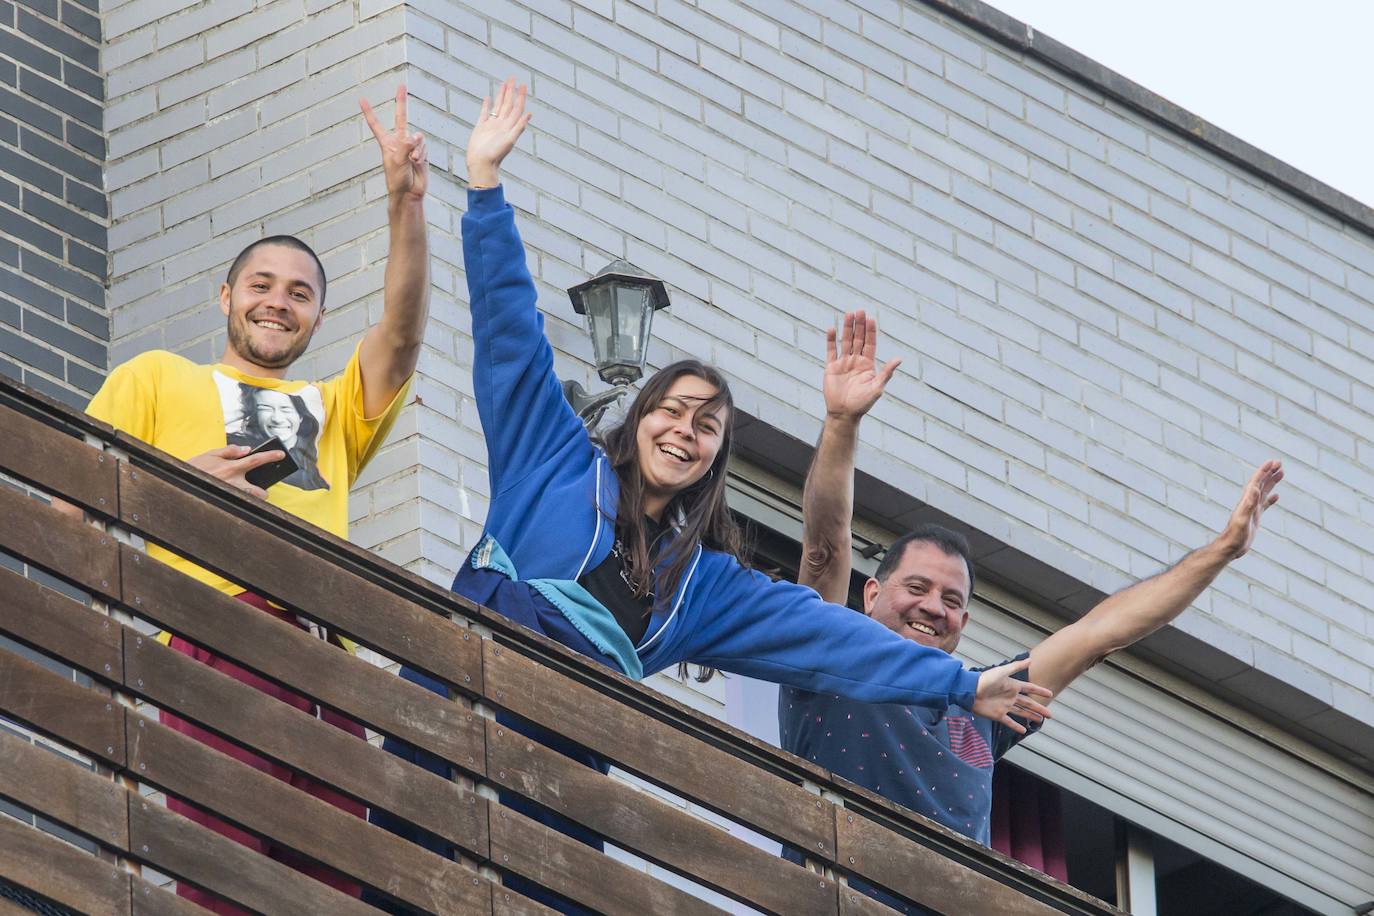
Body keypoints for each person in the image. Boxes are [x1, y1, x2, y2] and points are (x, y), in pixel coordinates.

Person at [371, 80, 1052, 914]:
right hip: (450, 690)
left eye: (707, 428)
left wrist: (959, 686)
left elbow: (830, 633)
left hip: (562, 760)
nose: (684, 432)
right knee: (398, 882)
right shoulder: (551, 459)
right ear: (639, 417)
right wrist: (485, 188)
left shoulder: (704, 586)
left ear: (713, 460)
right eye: (672, 410)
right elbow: (508, 332)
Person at [778, 313, 1284, 913]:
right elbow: (826, 547)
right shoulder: (828, 652)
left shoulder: (983, 708)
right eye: (916, 587)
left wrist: (1223, 551)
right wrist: (841, 424)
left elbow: (1101, 632)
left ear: (963, 624)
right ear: (870, 595)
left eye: (952, 600)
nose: (932, 608)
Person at [79, 86, 430, 912]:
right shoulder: (159, 376)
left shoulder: (332, 405)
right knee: (225, 875)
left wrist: (404, 205)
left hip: (324, 664)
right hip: (212, 631)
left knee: (332, 886)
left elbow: (404, 334)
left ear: (316, 317)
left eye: (300, 292)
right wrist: (168, 492)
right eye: (261, 284)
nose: (278, 300)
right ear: (226, 298)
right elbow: (66, 503)